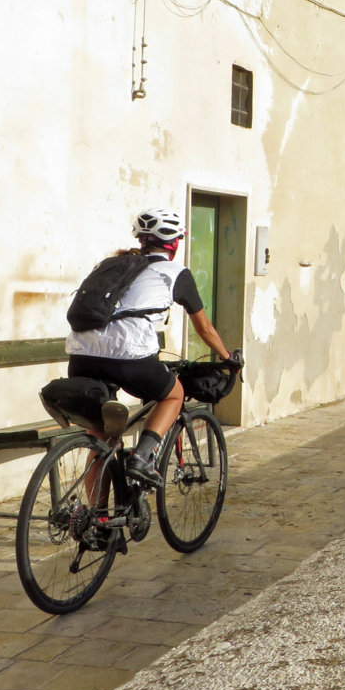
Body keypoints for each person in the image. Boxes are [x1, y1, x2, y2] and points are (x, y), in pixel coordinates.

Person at [65, 207, 241, 487]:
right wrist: (228, 357)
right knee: (173, 395)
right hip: (129, 356)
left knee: (103, 437)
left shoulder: (112, 265)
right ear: (174, 243)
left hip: (81, 355)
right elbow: (204, 328)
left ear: (142, 240)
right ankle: (142, 458)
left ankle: (97, 522)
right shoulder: (175, 272)